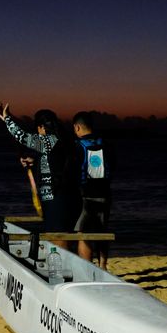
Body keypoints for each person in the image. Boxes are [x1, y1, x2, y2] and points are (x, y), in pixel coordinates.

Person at [0, 102, 78, 248]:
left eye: (37, 128)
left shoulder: (50, 140)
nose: (37, 132)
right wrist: (34, 161)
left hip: (56, 196)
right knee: (57, 234)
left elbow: (22, 136)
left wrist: (8, 119)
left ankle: (64, 267)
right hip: (58, 195)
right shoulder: (60, 141)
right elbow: (54, 162)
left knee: (58, 235)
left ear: (41, 127)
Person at [72, 111, 113, 268]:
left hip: (84, 196)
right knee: (102, 232)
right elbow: (112, 167)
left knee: (84, 234)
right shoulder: (106, 145)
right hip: (104, 194)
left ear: (77, 127)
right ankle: (103, 266)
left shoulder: (77, 146)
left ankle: (87, 269)